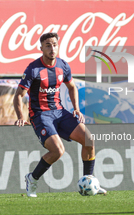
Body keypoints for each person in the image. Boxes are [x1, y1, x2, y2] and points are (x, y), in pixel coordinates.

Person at [14, 32, 107, 197]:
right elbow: (19, 95)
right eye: (48, 45)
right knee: (58, 151)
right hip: (41, 115)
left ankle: (90, 181)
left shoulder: (63, 66)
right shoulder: (33, 69)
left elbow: (72, 87)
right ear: (41, 48)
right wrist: (21, 117)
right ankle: (32, 178)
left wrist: (76, 108)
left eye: (54, 44)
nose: (52, 48)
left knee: (89, 140)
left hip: (60, 112)